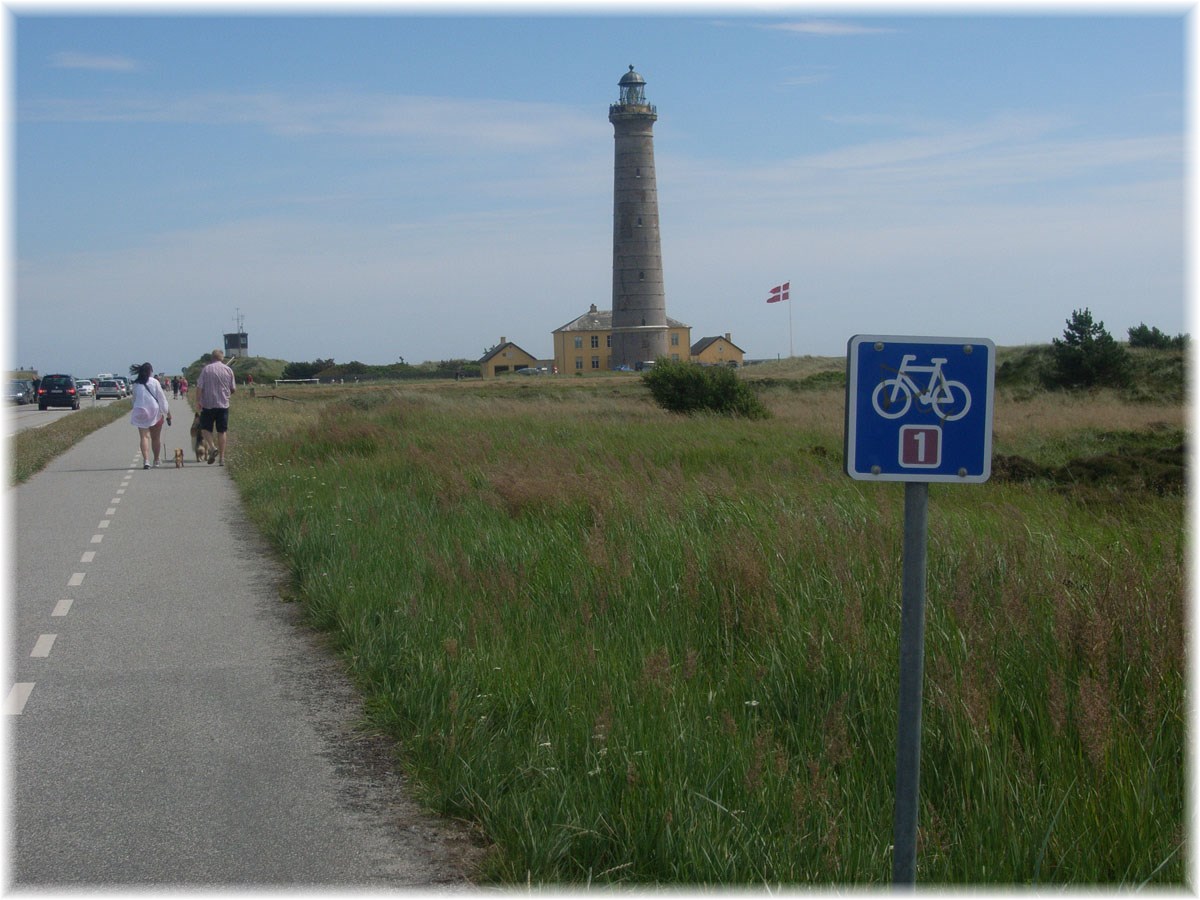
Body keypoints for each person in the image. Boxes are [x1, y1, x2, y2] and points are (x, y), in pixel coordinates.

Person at [196, 348, 236, 466]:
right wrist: (227, 394)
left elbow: (199, 387)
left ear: (212, 358)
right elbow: (233, 388)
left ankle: (213, 447)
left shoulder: (206, 370)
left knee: (205, 429)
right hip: (223, 404)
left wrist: (198, 401)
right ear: (222, 358)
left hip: (208, 404)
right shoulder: (228, 370)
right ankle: (222, 458)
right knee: (222, 431)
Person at [130, 362, 171, 469]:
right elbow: (161, 398)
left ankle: (146, 460)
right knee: (155, 438)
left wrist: (134, 408)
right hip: (155, 411)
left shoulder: (136, 384)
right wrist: (167, 412)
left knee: (144, 437)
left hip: (141, 411)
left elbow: (134, 399)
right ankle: (156, 460)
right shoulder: (154, 382)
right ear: (150, 371)